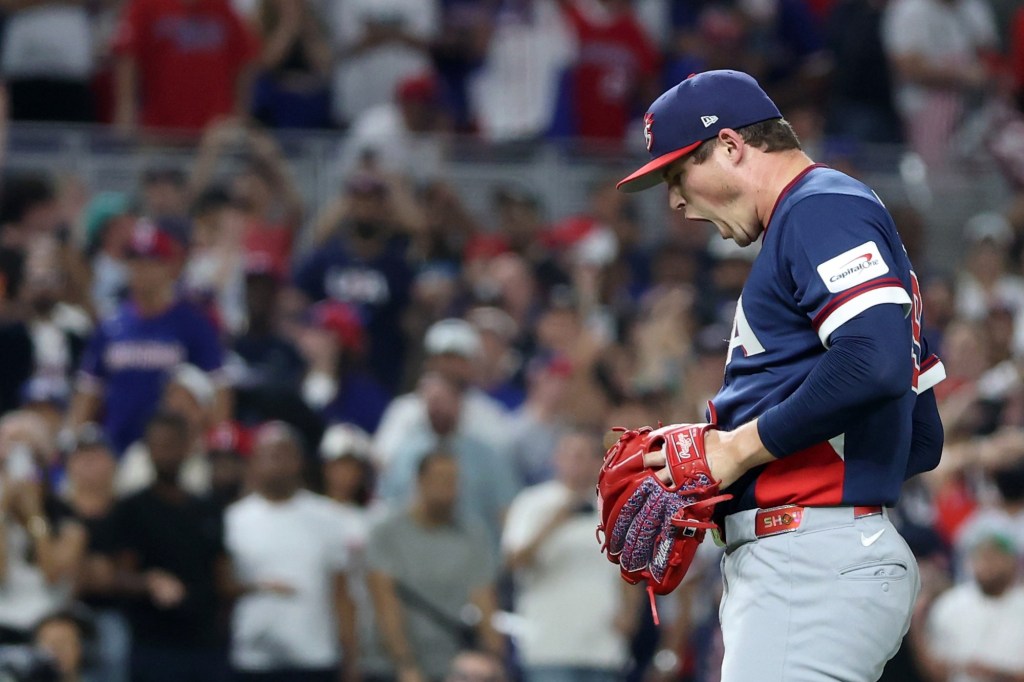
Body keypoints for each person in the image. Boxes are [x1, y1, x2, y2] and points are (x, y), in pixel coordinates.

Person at [615, 70, 946, 681]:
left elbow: (871, 362)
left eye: (677, 173)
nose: (675, 201)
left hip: (807, 562)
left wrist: (735, 451)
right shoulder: (822, 215)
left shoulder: (818, 207)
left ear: (732, 146)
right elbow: (919, 440)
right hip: (823, 557)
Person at [225, 422, 360, 682]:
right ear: (253, 462)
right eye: (268, 456)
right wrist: (257, 588)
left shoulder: (328, 518)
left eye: (284, 455)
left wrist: (350, 657)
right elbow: (223, 585)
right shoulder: (234, 519)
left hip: (315, 657)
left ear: (299, 461)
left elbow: (341, 592)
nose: (276, 464)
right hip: (253, 659)